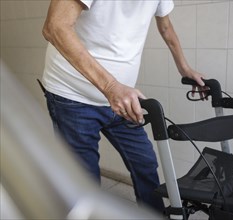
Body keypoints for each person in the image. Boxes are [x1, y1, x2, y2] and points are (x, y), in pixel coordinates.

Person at [41, 0, 206, 213]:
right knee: (85, 178)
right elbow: (55, 27)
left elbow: (165, 26)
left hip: (121, 99)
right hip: (73, 96)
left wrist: (185, 68)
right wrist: (110, 86)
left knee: (145, 162)